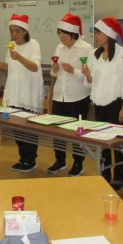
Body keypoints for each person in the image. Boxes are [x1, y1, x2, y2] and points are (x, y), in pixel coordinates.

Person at [81, 18, 123, 187]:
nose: (96, 36)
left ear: (109, 35)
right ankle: (104, 174)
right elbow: (91, 81)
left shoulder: (122, 54)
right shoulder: (94, 54)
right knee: (102, 142)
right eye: (96, 32)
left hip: (116, 104)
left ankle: (118, 177)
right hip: (99, 104)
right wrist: (88, 76)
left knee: (118, 143)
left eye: (99, 32)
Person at [0, 14, 44, 172]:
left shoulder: (33, 44)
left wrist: (19, 57)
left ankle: (31, 159)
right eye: (11, 31)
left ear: (25, 31)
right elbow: (10, 67)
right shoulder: (11, 46)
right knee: (16, 127)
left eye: (17, 31)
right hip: (14, 91)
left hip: (28, 93)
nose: (14, 34)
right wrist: (1, 65)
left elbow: (34, 67)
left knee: (29, 128)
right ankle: (22, 157)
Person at [48, 13, 93, 176]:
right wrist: (54, 69)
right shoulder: (59, 48)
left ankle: (78, 163)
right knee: (58, 131)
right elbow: (54, 73)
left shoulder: (86, 48)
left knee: (76, 132)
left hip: (78, 97)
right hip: (59, 95)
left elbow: (90, 74)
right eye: (59, 33)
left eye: (64, 33)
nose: (61, 37)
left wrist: (74, 70)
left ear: (73, 33)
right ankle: (60, 161)